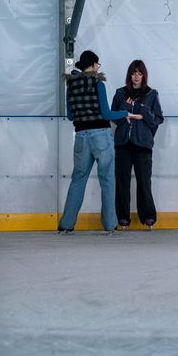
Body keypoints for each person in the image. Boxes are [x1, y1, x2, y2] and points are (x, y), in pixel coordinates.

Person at [58, 50, 137, 234]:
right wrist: (125, 113)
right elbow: (107, 114)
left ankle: (66, 224)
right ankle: (110, 224)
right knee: (107, 180)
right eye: (97, 65)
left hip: (81, 137)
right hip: (100, 135)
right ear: (93, 65)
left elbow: (70, 116)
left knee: (77, 180)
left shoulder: (71, 85)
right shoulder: (97, 83)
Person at [112, 59, 164, 229]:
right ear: (129, 75)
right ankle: (122, 217)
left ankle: (148, 217)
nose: (136, 76)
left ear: (144, 75)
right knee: (122, 181)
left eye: (139, 73)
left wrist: (143, 111)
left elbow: (157, 119)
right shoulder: (120, 93)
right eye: (134, 73)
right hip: (123, 143)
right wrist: (123, 110)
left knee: (144, 181)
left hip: (143, 145)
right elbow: (113, 117)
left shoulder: (151, 94)